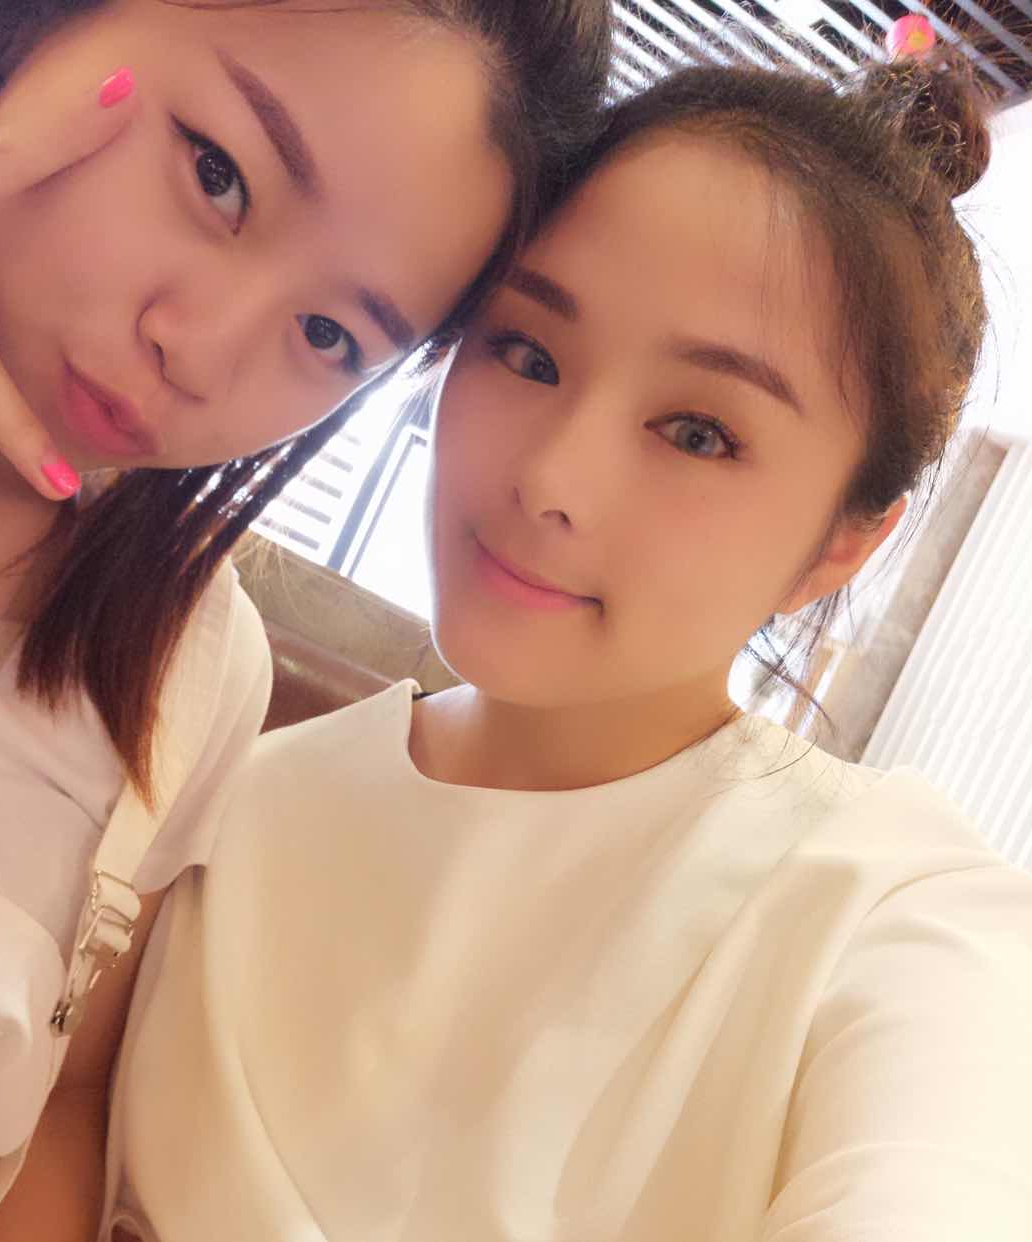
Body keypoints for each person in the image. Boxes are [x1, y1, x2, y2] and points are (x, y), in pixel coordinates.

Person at [104, 51, 1032, 1242]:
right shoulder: (226, 790)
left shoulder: (891, 918)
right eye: (528, 354)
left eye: (698, 433)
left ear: (845, 543)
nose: (552, 478)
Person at [0, 2, 615, 1239]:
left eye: (330, 335)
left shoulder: (189, 671)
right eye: (219, 175)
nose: (202, 350)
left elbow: (57, 1098)